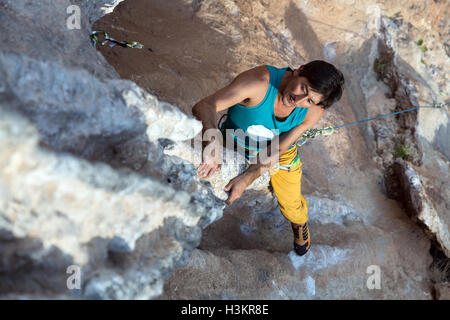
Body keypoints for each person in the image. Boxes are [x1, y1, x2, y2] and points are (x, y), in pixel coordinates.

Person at [192, 61, 345, 256]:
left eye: (309, 100)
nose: (299, 100)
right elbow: (205, 105)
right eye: (303, 88)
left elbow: (280, 147)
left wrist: (248, 177)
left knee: (291, 205)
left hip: (280, 151)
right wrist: (211, 141)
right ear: (299, 70)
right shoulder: (259, 83)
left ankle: (299, 223)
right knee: (201, 175)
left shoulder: (314, 109)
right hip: (233, 141)